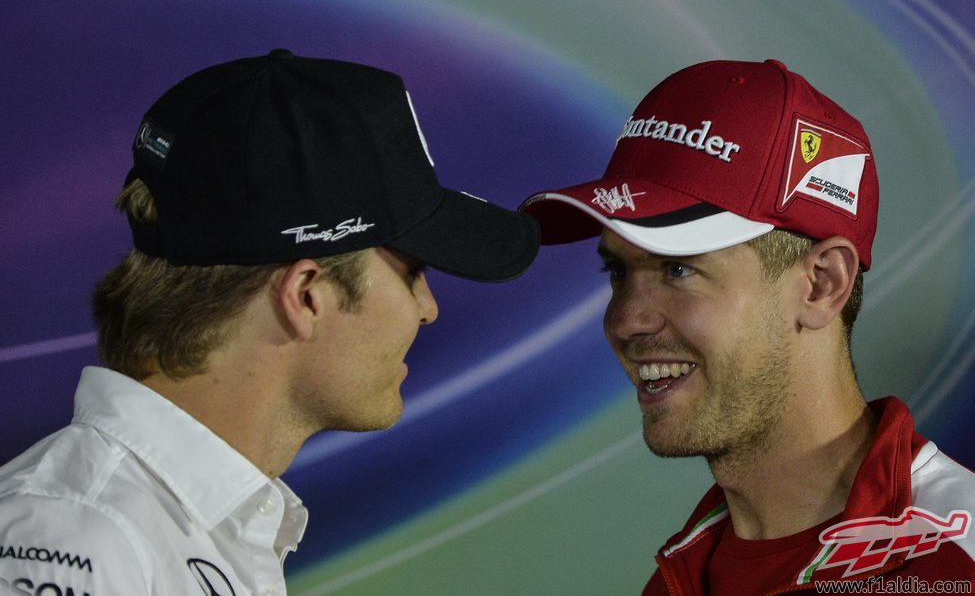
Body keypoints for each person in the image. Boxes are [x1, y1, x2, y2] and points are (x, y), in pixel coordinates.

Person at [0, 49, 539, 595]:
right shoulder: (79, 539)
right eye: (414, 272)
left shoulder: (194, 526)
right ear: (306, 296)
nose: (428, 308)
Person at [520, 59, 974, 594]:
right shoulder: (675, 580)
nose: (625, 321)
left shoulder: (957, 562)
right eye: (617, 271)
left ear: (822, 284)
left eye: (678, 269)